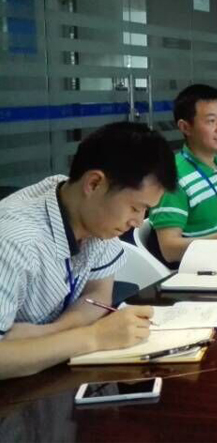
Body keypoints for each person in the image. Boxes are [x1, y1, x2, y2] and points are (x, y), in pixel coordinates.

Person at [0, 122, 177, 379]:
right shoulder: (13, 241)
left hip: (51, 374)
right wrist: (93, 337)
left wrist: (49, 332)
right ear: (94, 184)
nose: (138, 222)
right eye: (135, 208)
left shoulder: (89, 213)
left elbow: (98, 293)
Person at [148, 84, 217, 267]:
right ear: (185, 127)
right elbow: (169, 250)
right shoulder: (174, 176)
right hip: (194, 270)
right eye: (211, 121)